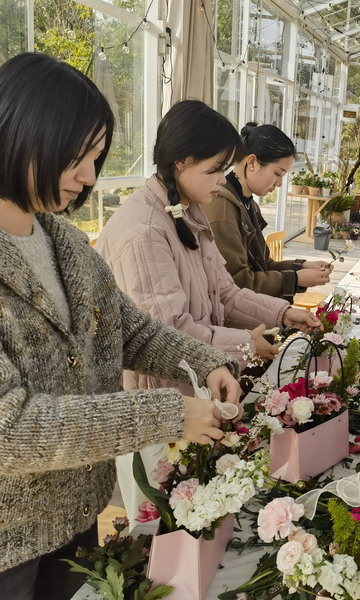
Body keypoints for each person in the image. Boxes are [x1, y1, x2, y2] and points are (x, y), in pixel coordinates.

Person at [0, 54, 242, 600]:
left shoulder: (61, 242)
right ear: (20, 131)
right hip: (10, 546)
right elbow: (10, 428)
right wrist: (166, 412)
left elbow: (130, 330)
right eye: (76, 156)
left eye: (96, 157)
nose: (89, 176)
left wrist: (207, 362)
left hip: (78, 515)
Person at [94, 100, 320, 520]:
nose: (223, 181)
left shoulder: (189, 211)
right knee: (162, 526)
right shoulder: (144, 231)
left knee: (198, 518)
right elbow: (168, 333)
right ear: (181, 162)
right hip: (156, 406)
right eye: (215, 170)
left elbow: (226, 293)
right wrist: (245, 345)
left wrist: (281, 315)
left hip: (194, 393)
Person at [203, 123, 332, 302]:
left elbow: (263, 265)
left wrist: (301, 267)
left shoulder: (248, 204)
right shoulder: (222, 207)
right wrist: (296, 279)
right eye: (277, 173)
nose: (279, 183)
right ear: (252, 162)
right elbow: (236, 282)